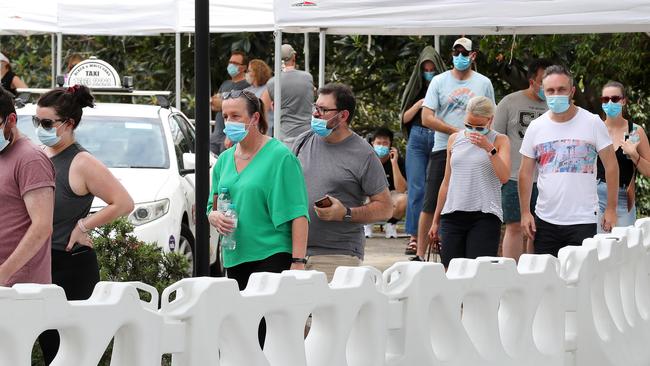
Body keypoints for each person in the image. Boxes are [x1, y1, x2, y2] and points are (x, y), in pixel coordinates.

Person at [36, 85, 134, 364]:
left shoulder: (82, 162)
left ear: (69, 124)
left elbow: (123, 203)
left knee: (71, 354)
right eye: (36, 121)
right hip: (43, 264)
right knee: (49, 351)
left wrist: (84, 226)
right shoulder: (42, 153)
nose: (39, 128)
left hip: (71, 266)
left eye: (45, 123)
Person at [207, 89, 309, 345]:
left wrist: (297, 262)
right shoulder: (224, 161)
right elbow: (212, 205)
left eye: (235, 116)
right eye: (225, 115)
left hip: (272, 254)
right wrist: (214, 216)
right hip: (235, 255)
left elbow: (299, 213)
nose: (229, 122)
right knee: (244, 333)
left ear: (254, 118)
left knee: (266, 333)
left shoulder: (280, 157)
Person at [293, 83, 393, 281]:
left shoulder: (363, 154)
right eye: (315, 107)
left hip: (338, 254)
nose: (316, 114)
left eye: (323, 110)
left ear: (343, 116)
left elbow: (386, 208)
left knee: (328, 313)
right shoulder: (302, 141)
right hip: (296, 253)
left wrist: (346, 214)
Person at [519, 65, 618, 257]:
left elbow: (611, 165)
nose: (556, 95)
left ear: (572, 91)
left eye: (561, 89)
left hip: (583, 219)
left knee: (580, 281)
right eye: (550, 91)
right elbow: (525, 172)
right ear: (543, 92)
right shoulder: (535, 127)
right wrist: (525, 213)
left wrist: (612, 209)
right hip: (545, 220)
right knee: (546, 281)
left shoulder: (592, 122)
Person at [412, 37, 495, 261]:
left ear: (473, 55)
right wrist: (456, 133)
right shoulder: (439, 81)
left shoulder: (483, 83)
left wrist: (484, 141)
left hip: (477, 149)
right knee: (431, 200)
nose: (459, 57)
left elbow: (491, 116)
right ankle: (420, 254)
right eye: (456, 53)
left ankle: (469, 245)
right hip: (444, 147)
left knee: (473, 199)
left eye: (464, 53)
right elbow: (426, 117)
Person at [429, 96, 510, 267]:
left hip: (485, 214)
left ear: (490, 120)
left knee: (477, 272)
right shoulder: (454, 139)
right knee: (450, 271)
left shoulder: (500, 140)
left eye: (479, 127)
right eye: (468, 125)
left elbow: (504, 177)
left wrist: (489, 148)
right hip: (452, 214)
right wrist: (436, 220)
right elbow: (446, 182)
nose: (473, 130)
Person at [493, 58, 552, 261]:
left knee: (541, 227)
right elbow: (495, 139)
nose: (548, 86)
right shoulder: (509, 102)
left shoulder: (557, 106)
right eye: (543, 81)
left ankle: (534, 271)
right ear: (532, 80)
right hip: (514, 177)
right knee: (515, 226)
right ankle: (512, 272)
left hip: (547, 178)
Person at [0, 87, 55, 287]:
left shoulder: (30, 159)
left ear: (11, 120)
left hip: (20, 288)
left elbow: (42, 226)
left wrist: (3, 274)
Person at [399, 45, 446, 255]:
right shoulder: (414, 87)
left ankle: (438, 234)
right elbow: (403, 118)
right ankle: (414, 236)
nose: (429, 72)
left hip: (438, 136)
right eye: (425, 69)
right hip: (418, 138)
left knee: (437, 189)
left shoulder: (445, 86)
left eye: (432, 68)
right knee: (416, 189)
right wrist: (420, 104)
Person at [596, 81, 650, 231]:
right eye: (605, 99)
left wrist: (634, 155)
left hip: (622, 198)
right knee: (595, 250)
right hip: (596, 197)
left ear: (624, 101)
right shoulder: (596, 129)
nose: (610, 103)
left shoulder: (635, 132)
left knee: (623, 249)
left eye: (615, 99)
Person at [261, 44, 314, 146]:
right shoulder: (308, 77)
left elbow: (263, 108)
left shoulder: (273, 82)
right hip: (308, 136)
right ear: (294, 57)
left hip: (285, 139)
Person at [364, 127, 407, 239]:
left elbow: (401, 189)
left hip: (391, 195)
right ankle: (366, 224)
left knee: (404, 199)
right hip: (370, 195)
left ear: (390, 145)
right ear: (372, 143)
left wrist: (394, 163)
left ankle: (391, 224)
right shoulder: (366, 158)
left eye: (385, 143)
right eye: (378, 143)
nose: (381, 146)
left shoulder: (398, 161)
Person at [210, 51, 250, 155]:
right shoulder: (225, 84)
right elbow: (213, 104)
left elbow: (240, 109)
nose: (231, 65)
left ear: (243, 67)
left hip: (232, 137)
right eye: (230, 62)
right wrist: (224, 103)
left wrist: (221, 103)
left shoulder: (247, 85)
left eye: (235, 63)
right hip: (216, 136)